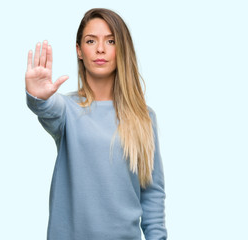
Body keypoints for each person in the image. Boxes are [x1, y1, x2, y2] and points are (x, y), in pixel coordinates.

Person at [25, 8, 167, 240]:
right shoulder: (67, 110)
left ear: (121, 49)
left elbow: (151, 192)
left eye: (110, 41)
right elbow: (47, 109)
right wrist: (38, 97)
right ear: (79, 51)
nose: (100, 49)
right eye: (91, 41)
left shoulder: (144, 117)